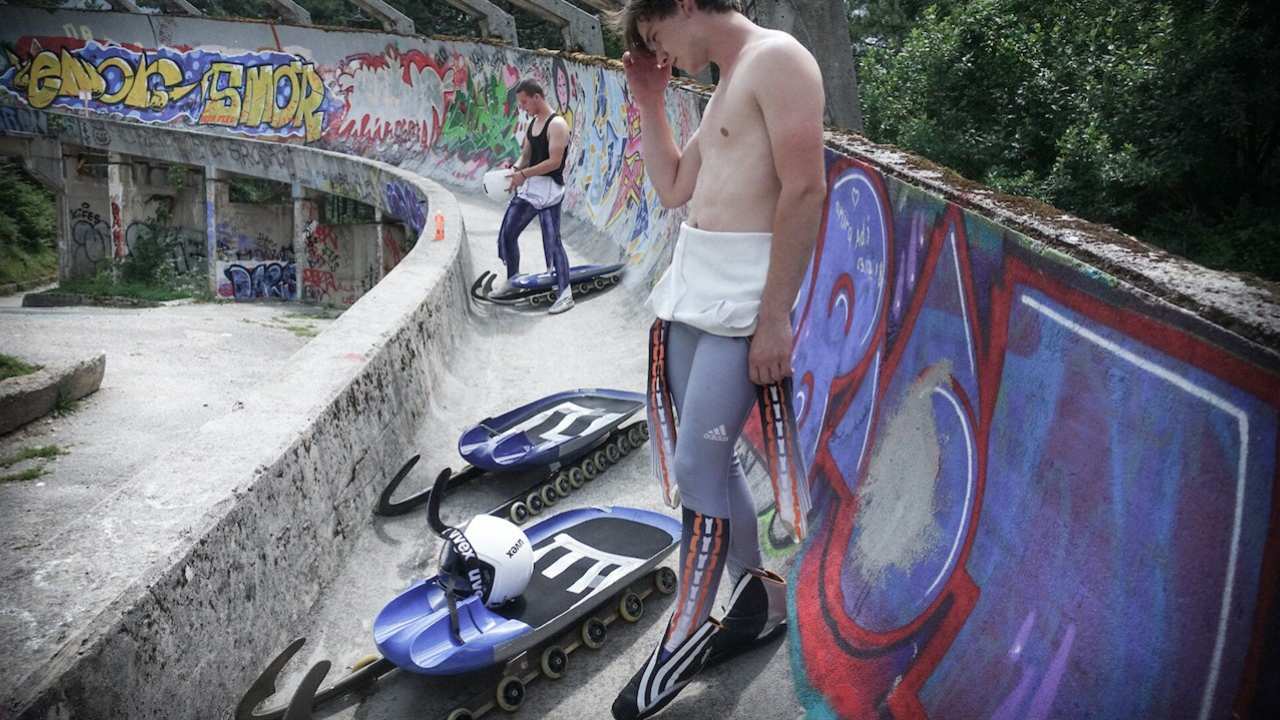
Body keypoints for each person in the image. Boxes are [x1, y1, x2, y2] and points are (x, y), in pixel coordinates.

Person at [608, 1, 827, 718]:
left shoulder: (778, 60)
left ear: (684, 6)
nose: (658, 49)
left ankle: (685, 635)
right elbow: (675, 188)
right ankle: (759, 598)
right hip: (694, 294)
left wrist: (775, 318)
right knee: (713, 457)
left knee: (700, 465)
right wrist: (649, 102)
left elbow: (804, 188)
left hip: (741, 304)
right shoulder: (730, 77)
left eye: (655, 33)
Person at [495, 78, 574, 314]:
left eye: (524, 102)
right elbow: (526, 156)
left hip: (549, 192)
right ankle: (513, 281)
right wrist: (515, 170)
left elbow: (554, 162)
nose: (522, 107)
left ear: (537, 97)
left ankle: (564, 293)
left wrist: (524, 174)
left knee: (553, 242)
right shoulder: (533, 123)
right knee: (507, 233)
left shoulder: (557, 124)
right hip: (530, 190)